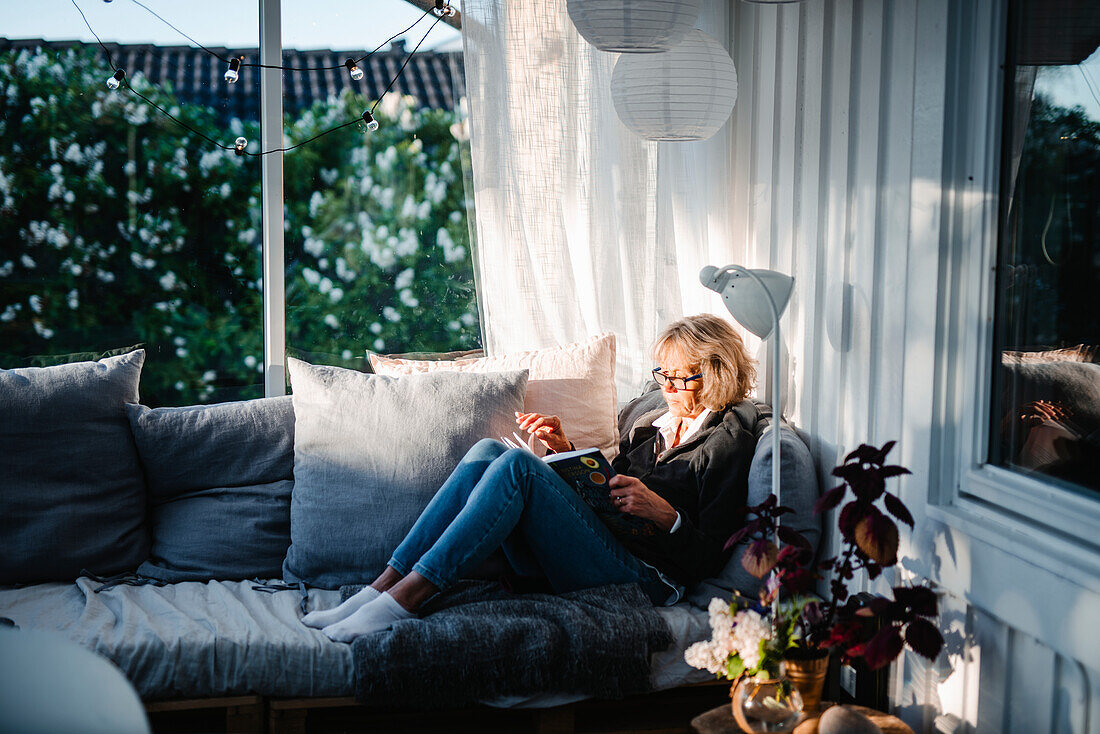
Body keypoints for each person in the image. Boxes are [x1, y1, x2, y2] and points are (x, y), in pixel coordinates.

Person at [303, 314, 761, 643]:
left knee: (519, 468)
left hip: (650, 578)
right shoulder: (651, 425)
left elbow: (710, 558)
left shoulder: (727, 442)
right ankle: (379, 587)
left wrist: (668, 516)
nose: (667, 387)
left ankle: (406, 599)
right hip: (605, 547)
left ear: (716, 373)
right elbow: (614, 487)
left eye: (681, 378)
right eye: (662, 375)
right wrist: (567, 453)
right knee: (488, 452)